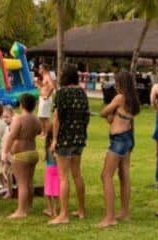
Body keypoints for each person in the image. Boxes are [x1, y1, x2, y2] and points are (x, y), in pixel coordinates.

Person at [49, 64, 89, 225]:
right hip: (78, 138)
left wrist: (54, 139)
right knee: (77, 174)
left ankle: (63, 214)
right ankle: (81, 210)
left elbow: (56, 118)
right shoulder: (82, 93)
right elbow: (86, 116)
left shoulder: (61, 94)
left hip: (64, 138)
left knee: (63, 177)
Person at [98, 70, 138, 228]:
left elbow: (103, 113)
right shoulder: (132, 100)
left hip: (118, 140)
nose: (115, 85)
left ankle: (110, 217)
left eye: (116, 83)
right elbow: (113, 118)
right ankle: (124, 212)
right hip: (128, 137)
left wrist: (110, 111)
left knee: (106, 176)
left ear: (121, 84)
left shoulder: (119, 98)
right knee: (124, 175)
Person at [1, 93, 39, 219]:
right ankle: (29, 205)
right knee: (29, 181)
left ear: (22, 104)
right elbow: (39, 130)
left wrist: (5, 151)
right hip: (33, 152)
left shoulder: (19, 119)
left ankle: (21, 210)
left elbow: (12, 136)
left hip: (20, 154)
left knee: (21, 183)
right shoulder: (35, 119)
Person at [35, 63, 56, 135]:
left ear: (43, 69)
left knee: (45, 117)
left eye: (40, 68)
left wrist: (47, 96)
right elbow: (44, 86)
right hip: (43, 98)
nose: (39, 70)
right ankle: (43, 132)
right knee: (41, 117)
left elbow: (52, 87)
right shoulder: (44, 77)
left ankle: (47, 133)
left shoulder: (47, 76)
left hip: (45, 99)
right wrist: (38, 83)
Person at [42, 130, 59, 218]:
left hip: (49, 170)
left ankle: (50, 209)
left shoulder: (48, 148)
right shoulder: (59, 148)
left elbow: (44, 158)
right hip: (57, 170)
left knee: (48, 190)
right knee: (55, 190)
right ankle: (54, 210)